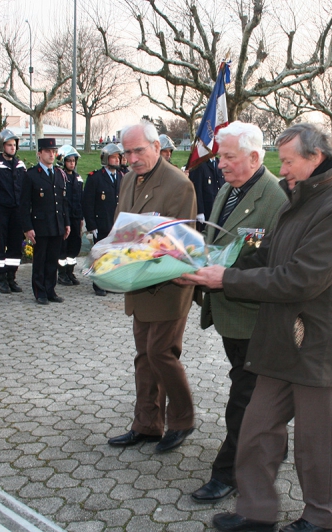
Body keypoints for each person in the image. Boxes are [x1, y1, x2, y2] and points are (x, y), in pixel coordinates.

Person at [181, 123, 332, 532]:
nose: (280, 169)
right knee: (257, 430)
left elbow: (300, 279)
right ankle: (256, 512)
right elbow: (265, 256)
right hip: (278, 340)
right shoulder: (298, 200)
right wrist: (209, 270)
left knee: (316, 443)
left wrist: (225, 281)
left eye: (287, 161)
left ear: (315, 158)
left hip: (315, 345)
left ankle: (321, 518)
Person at [187, 122, 288, 504]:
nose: (222, 164)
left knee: (244, 398)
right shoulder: (229, 189)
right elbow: (221, 243)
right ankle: (273, 449)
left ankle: (228, 473)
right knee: (252, 392)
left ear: (255, 157)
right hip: (230, 312)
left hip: (255, 317)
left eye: (229, 157)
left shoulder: (275, 197)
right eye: (220, 156)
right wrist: (194, 271)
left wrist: (221, 277)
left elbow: (271, 262)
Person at [107, 121, 198, 453]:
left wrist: (135, 248)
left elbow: (179, 243)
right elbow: (122, 226)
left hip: (167, 285)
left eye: (138, 150)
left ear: (157, 148)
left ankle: (182, 420)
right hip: (138, 284)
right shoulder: (129, 179)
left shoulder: (178, 184)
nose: (131, 158)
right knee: (144, 357)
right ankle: (146, 425)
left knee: (162, 354)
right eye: (127, 151)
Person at [20, 138, 71, 304]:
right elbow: (24, 204)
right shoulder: (32, 175)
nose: (51, 154)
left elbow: (63, 202)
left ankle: (51, 290)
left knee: (52, 260)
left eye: (53, 151)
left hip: (56, 224)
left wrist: (67, 223)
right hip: (40, 225)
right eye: (48, 151)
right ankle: (40, 292)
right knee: (40, 260)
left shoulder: (59, 174)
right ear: (39, 153)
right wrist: (27, 227)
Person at [0, 129, 27, 294]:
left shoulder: (20, 165)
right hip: (0, 211)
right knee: (1, 245)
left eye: (14, 145)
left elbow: (24, 189)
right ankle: (1, 279)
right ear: (2, 146)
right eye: (9, 145)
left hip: (17, 211)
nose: (12, 148)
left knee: (16, 246)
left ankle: (11, 277)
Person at [83, 143, 124, 296]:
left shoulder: (121, 177)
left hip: (116, 224)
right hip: (101, 224)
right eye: (114, 157)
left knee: (114, 256)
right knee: (100, 255)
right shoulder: (95, 178)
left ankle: (110, 282)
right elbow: (88, 203)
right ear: (106, 158)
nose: (117, 160)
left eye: (118, 157)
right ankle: (99, 284)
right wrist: (92, 225)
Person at [55, 145, 84, 286]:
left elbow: (81, 198)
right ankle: (61, 273)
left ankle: (70, 271)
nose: (72, 163)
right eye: (69, 160)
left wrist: (81, 218)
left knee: (74, 245)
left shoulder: (78, 178)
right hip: (63, 217)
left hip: (76, 217)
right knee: (63, 246)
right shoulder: (59, 177)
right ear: (62, 161)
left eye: (74, 160)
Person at [188, 156, 225, 230]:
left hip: (218, 208)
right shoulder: (199, 164)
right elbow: (196, 188)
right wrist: (199, 211)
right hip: (206, 209)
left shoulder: (219, 163)